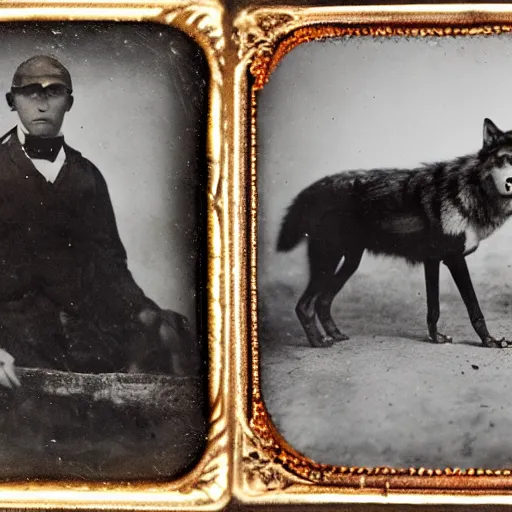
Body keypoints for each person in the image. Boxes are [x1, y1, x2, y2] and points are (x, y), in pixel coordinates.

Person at [0, 55, 199, 388]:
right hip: (13, 334)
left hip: (82, 331)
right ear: (12, 101)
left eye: (54, 91)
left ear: (69, 102)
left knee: (171, 344)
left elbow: (109, 261)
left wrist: (143, 311)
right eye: (31, 92)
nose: (43, 103)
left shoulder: (87, 175)